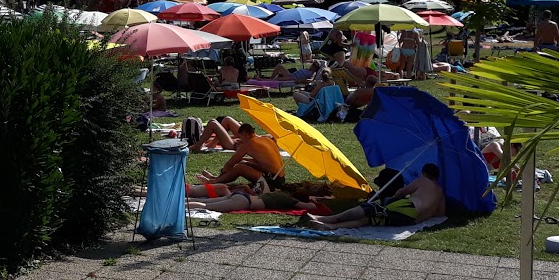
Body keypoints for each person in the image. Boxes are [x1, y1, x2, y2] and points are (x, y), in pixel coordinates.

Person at [312, 164, 445, 229]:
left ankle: (327, 219)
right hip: (411, 221)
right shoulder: (440, 193)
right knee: (369, 220)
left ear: (424, 173)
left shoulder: (423, 180)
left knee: (367, 208)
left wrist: (392, 198)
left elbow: (401, 193)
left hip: (408, 207)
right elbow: (440, 213)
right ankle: (332, 227)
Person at [209, 122, 284, 186]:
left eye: (240, 137)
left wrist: (221, 173)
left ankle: (214, 182)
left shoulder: (248, 144)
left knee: (240, 168)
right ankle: (217, 179)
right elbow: (264, 162)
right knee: (243, 162)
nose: (240, 140)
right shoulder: (267, 139)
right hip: (280, 179)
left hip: (271, 181)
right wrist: (243, 159)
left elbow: (230, 163)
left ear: (245, 134)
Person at [189, 175, 312, 210]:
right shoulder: (291, 201)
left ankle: (180, 202)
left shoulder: (280, 193)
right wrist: (314, 200)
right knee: (207, 206)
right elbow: (310, 206)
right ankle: (180, 207)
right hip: (244, 202)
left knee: (205, 201)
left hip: (241, 196)